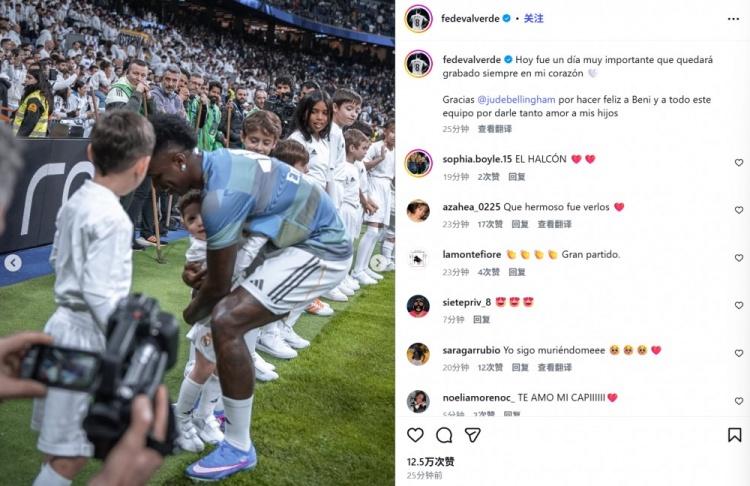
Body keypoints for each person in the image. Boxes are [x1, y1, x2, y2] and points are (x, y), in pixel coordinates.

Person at [146, 113, 352, 481]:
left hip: (321, 250)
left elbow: (218, 287)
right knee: (228, 324)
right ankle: (220, 409)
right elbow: (222, 268)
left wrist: (189, 313)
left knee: (226, 319)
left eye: (158, 176)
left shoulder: (220, 195)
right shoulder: (222, 161)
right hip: (294, 244)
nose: (160, 186)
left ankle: (238, 446)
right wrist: (205, 281)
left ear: (179, 160)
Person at [30, 110, 155, 486]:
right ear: (143, 166)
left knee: (61, 444)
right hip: (85, 341)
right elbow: (100, 294)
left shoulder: (76, 201)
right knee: (71, 452)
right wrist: (127, 345)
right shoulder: (113, 218)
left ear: (89, 152)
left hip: (62, 328)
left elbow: (57, 259)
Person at [351, 118, 395, 285]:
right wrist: (380, 158)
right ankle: (357, 270)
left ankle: (364, 267)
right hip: (374, 185)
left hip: (387, 189)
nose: (396, 136)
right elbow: (362, 165)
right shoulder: (376, 147)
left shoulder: (397, 151)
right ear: (385, 131)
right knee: (371, 231)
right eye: (393, 131)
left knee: (378, 233)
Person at [13, 68, 52, 137]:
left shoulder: (34, 99)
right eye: (26, 77)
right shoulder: (38, 95)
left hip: (28, 139)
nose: (25, 80)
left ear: (37, 80)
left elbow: (29, 123)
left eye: (29, 78)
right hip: (33, 139)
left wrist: (18, 138)